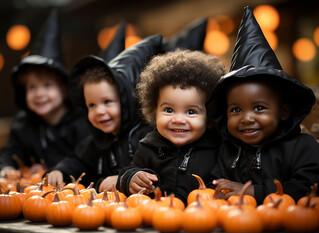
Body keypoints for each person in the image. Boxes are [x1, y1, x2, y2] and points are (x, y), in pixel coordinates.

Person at [210, 6, 319, 205]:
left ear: (284, 112)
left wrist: (255, 191)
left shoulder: (302, 148)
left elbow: (310, 186)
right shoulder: (228, 150)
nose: (247, 118)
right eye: (236, 110)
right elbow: (218, 185)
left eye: (259, 108)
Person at [47, 34, 163, 191]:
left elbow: (159, 171)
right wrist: (61, 171)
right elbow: (78, 162)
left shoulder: (147, 136)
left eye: (107, 102)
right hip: (106, 209)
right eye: (92, 105)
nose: (99, 111)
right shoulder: (96, 141)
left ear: (126, 102)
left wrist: (124, 179)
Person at [117, 49, 226, 205]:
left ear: (209, 117)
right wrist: (131, 178)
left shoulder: (217, 149)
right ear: (155, 110)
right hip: (158, 220)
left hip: (200, 220)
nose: (178, 119)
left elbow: (223, 185)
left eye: (191, 111)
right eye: (169, 110)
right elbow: (128, 172)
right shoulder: (149, 146)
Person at [0, 9, 91, 179]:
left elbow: (83, 158)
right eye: (32, 87)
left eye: (47, 85)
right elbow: (11, 151)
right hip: (35, 192)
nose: (39, 93)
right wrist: (7, 167)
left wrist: (49, 168)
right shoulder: (23, 124)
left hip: (72, 191)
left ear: (64, 89)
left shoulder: (80, 123)